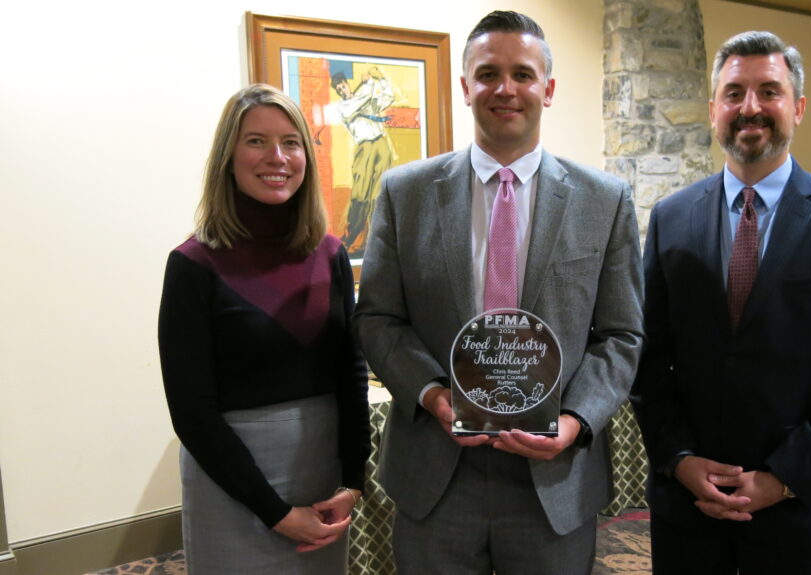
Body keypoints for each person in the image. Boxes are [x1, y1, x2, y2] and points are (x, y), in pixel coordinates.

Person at [352, 10, 643, 575]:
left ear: (548, 89)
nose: (505, 89)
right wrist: (435, 395)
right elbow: (378, 319)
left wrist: (576, 421)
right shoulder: (404, 193)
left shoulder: (604, 200)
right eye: (488, 74)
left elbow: (622, 334)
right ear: (466, 86)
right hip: (438, 472)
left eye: (523, 74)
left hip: (552, 479)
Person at [630, 31, 811, 575]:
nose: (750, 107)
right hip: (689, 510)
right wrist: (679, 461)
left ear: (797, 107)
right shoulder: (671, 218)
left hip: (799, 511)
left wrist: (782, 478)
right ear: (713, 111)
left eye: (768, 91)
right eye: (734, 94)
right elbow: (648, 359)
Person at [158, 83, 370, 575]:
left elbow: (350, 372)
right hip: (232, 482)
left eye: (290, 142)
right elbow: (192, 411)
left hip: (323, 477)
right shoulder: (193, 264)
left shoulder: (331, 254)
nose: (276, 156)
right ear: (228, 156)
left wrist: (353, 481)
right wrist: (273, 512)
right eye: (256, 141)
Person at [320, 67, 396, 253]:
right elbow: (362, 98)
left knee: (378, 196)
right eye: (339, 90)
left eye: (343, 86)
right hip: (365, 148)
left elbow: (388, 97)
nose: (343, 91)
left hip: (381, 146)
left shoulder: (365, 98)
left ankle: (372, 241)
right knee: (360, 196)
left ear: (347, 84)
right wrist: (370, 82)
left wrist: (382, 78)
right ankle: (350, 237)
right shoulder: (344, 107)